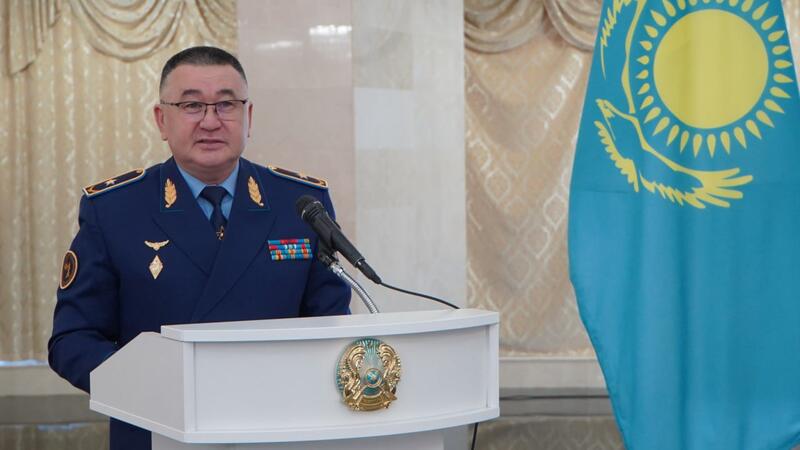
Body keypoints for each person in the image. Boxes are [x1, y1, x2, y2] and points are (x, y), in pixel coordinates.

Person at [48, 46, 351, 450]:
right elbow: (73, 339)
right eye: (191, 105)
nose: (210, 121)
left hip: (278, 428)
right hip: (161, 428)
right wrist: (151, 386)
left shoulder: (299, 204)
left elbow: (332, 325)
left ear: (248, 116)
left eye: (226, 104)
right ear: (162, 119)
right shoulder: (115, 209)